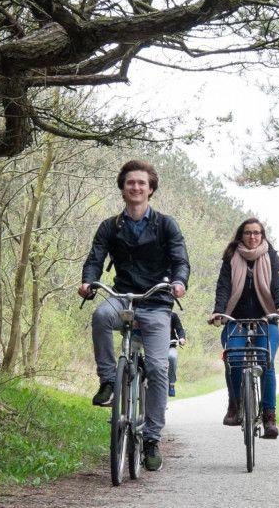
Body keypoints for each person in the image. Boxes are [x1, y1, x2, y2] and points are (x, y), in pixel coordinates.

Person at [79, 160, 189, 472]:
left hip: (156, 301)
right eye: (130, 183)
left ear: (151, 189)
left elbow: (181, 259)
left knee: (157, 367)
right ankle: (109, 380)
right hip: (123, 297)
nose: (136, 187)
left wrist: (179, 282)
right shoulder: (110, 226)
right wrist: (88, 282)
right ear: (123, 187)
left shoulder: (166, 225)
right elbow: (94, 259)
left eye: (142, 183)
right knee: (100, 316)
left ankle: (152, 438)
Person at [209, 217, 279, 439]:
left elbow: (277, 284)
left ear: (262, 236)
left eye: (257, 233)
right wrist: (219, 310)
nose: (252, 237)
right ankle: (235, 405)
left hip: (266, 319)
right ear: (241, 235)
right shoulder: (231, 256)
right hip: (235, 319)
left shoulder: (270, 255)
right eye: (248, 233)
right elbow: (224, 286)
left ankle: (269, 416)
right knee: (234, 359)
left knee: (267, 362)